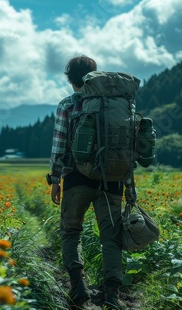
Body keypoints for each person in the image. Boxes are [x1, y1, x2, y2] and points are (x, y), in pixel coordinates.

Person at [48, 55, 125, 309]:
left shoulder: (67, 104)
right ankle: (112, 294)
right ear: (94, 74)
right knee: (111, 237)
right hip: (111, 181)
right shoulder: (116, 104)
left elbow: (59, 145)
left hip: (76, 179)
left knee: (71, 232)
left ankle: (78, 286)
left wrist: (56, 179)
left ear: (71, 79)